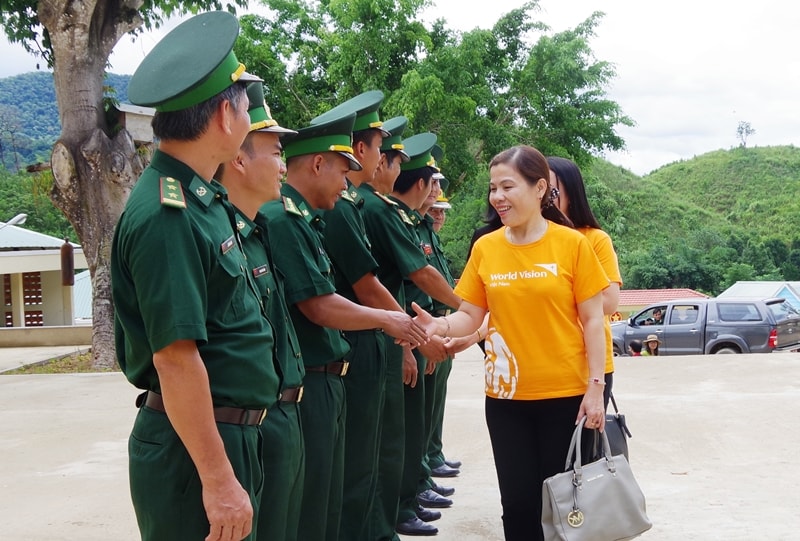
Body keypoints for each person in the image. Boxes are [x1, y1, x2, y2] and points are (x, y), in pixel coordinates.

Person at [111, 12, 276, 541]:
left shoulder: (202, 199)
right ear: (225, 116)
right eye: (247, 105)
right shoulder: (167, 213)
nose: (251, 119)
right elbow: (176, 358)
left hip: (227, 436)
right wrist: (220, 481)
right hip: (197, 453)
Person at [414, 144, 608, 541]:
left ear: (540, 189)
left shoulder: (573, 245)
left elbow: (592, 319)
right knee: (517, 504)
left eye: (507, 187)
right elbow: (470, 314)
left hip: (565, 398)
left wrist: (595, 388)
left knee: (562, 505)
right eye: (493, 188)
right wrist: (440, 325)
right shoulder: (487, 247)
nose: (497, 197)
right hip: (506, 401)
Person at [261, 111, 428, 541]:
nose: (347, 180)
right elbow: (318, 304)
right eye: (342, 169)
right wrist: (391, 321)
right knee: (316, 506)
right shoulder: (284, 220)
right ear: (318, 164)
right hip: (309, 380)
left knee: (331, 499)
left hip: (328, 376)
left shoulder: (309, 220)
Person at [309, 93, 409, 541]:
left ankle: (379, 529)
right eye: (375, 148)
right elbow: (364, 286)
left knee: (371, 450)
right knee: (356, 462)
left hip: (365, 335)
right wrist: (412, 330)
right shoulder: (342, 210)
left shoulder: (349, 207)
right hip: (355, 340)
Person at [213, 81, 305, 541]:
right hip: (236, 425)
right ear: (240, 160)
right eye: (274, 152)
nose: (283, 165)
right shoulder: (214, 230)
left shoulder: (253, 231)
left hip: (273, 416)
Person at [359, 132, 461, 539]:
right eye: (431, 182)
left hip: (409, 331)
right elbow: (416, 277)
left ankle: (409, 495)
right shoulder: (378, 210)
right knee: (388, 440)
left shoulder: (393, 214)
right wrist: (467, 307)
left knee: (408, 428)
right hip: (395, 335)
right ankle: (398, 509)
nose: (434, 193)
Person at [548, 156, 623, 408]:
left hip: (590, 366)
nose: (544, 198)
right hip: (542, 365)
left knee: (581, 447)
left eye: (552, 191)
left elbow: (609, 302)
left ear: (572, 193)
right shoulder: (527, 240)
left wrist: (552, 299)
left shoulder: (595, 239)